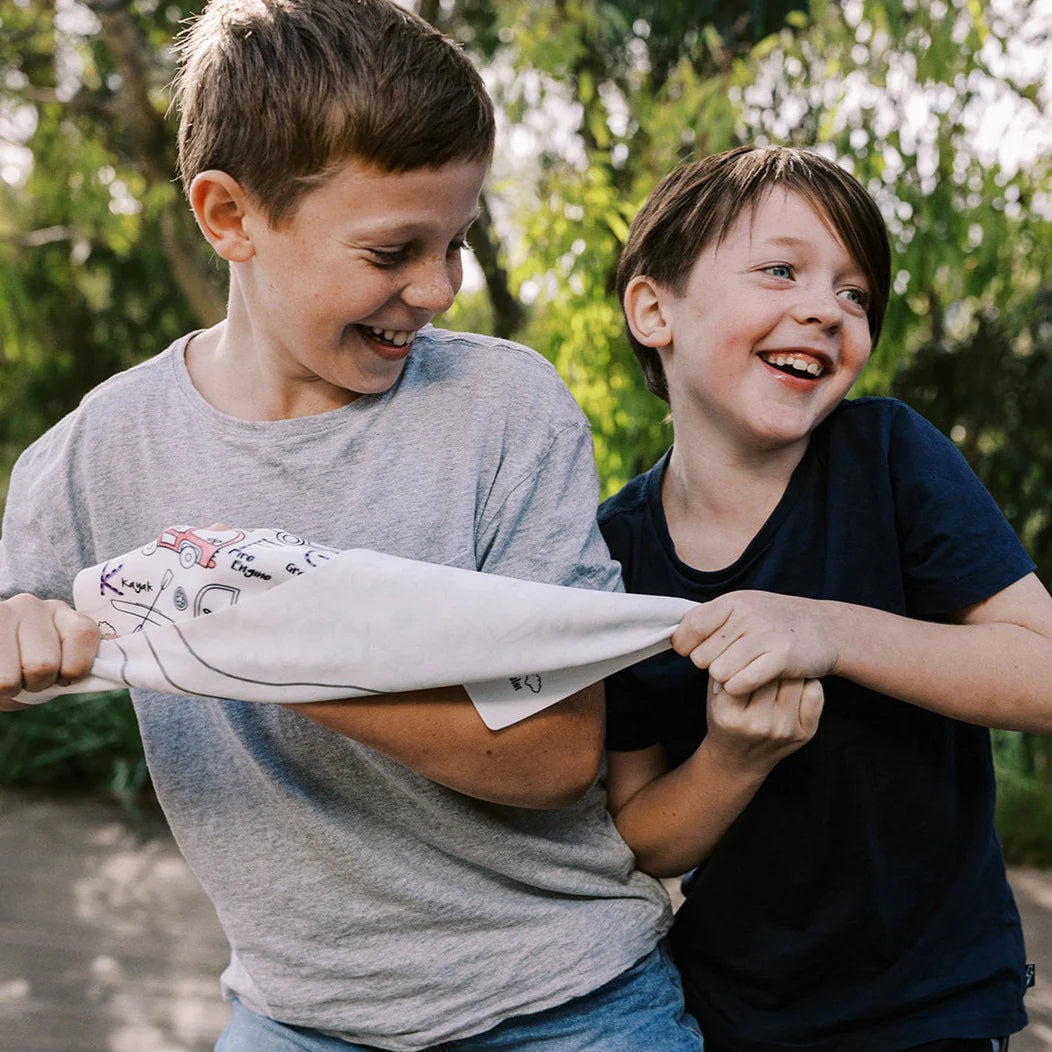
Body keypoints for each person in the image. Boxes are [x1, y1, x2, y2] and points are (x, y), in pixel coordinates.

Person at [0, 1, 702, 1048]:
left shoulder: (502, 410)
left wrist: (255, 645)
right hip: (296, 1014)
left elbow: (555, 751)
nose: (432, 287)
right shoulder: (100, 451)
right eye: (390, 250)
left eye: (455, 242)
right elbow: (24, 620)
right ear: (229, 216)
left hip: (568, 1000)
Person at [600, 144, 1052, 1052]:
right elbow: (642, 837)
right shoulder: (614, 550)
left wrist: (825, 630)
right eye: (781, 270)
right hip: (729, 1014)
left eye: (856, 295)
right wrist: (733, 758)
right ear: (655, 309)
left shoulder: (890, 458)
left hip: (936, 1007)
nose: (825, 308)